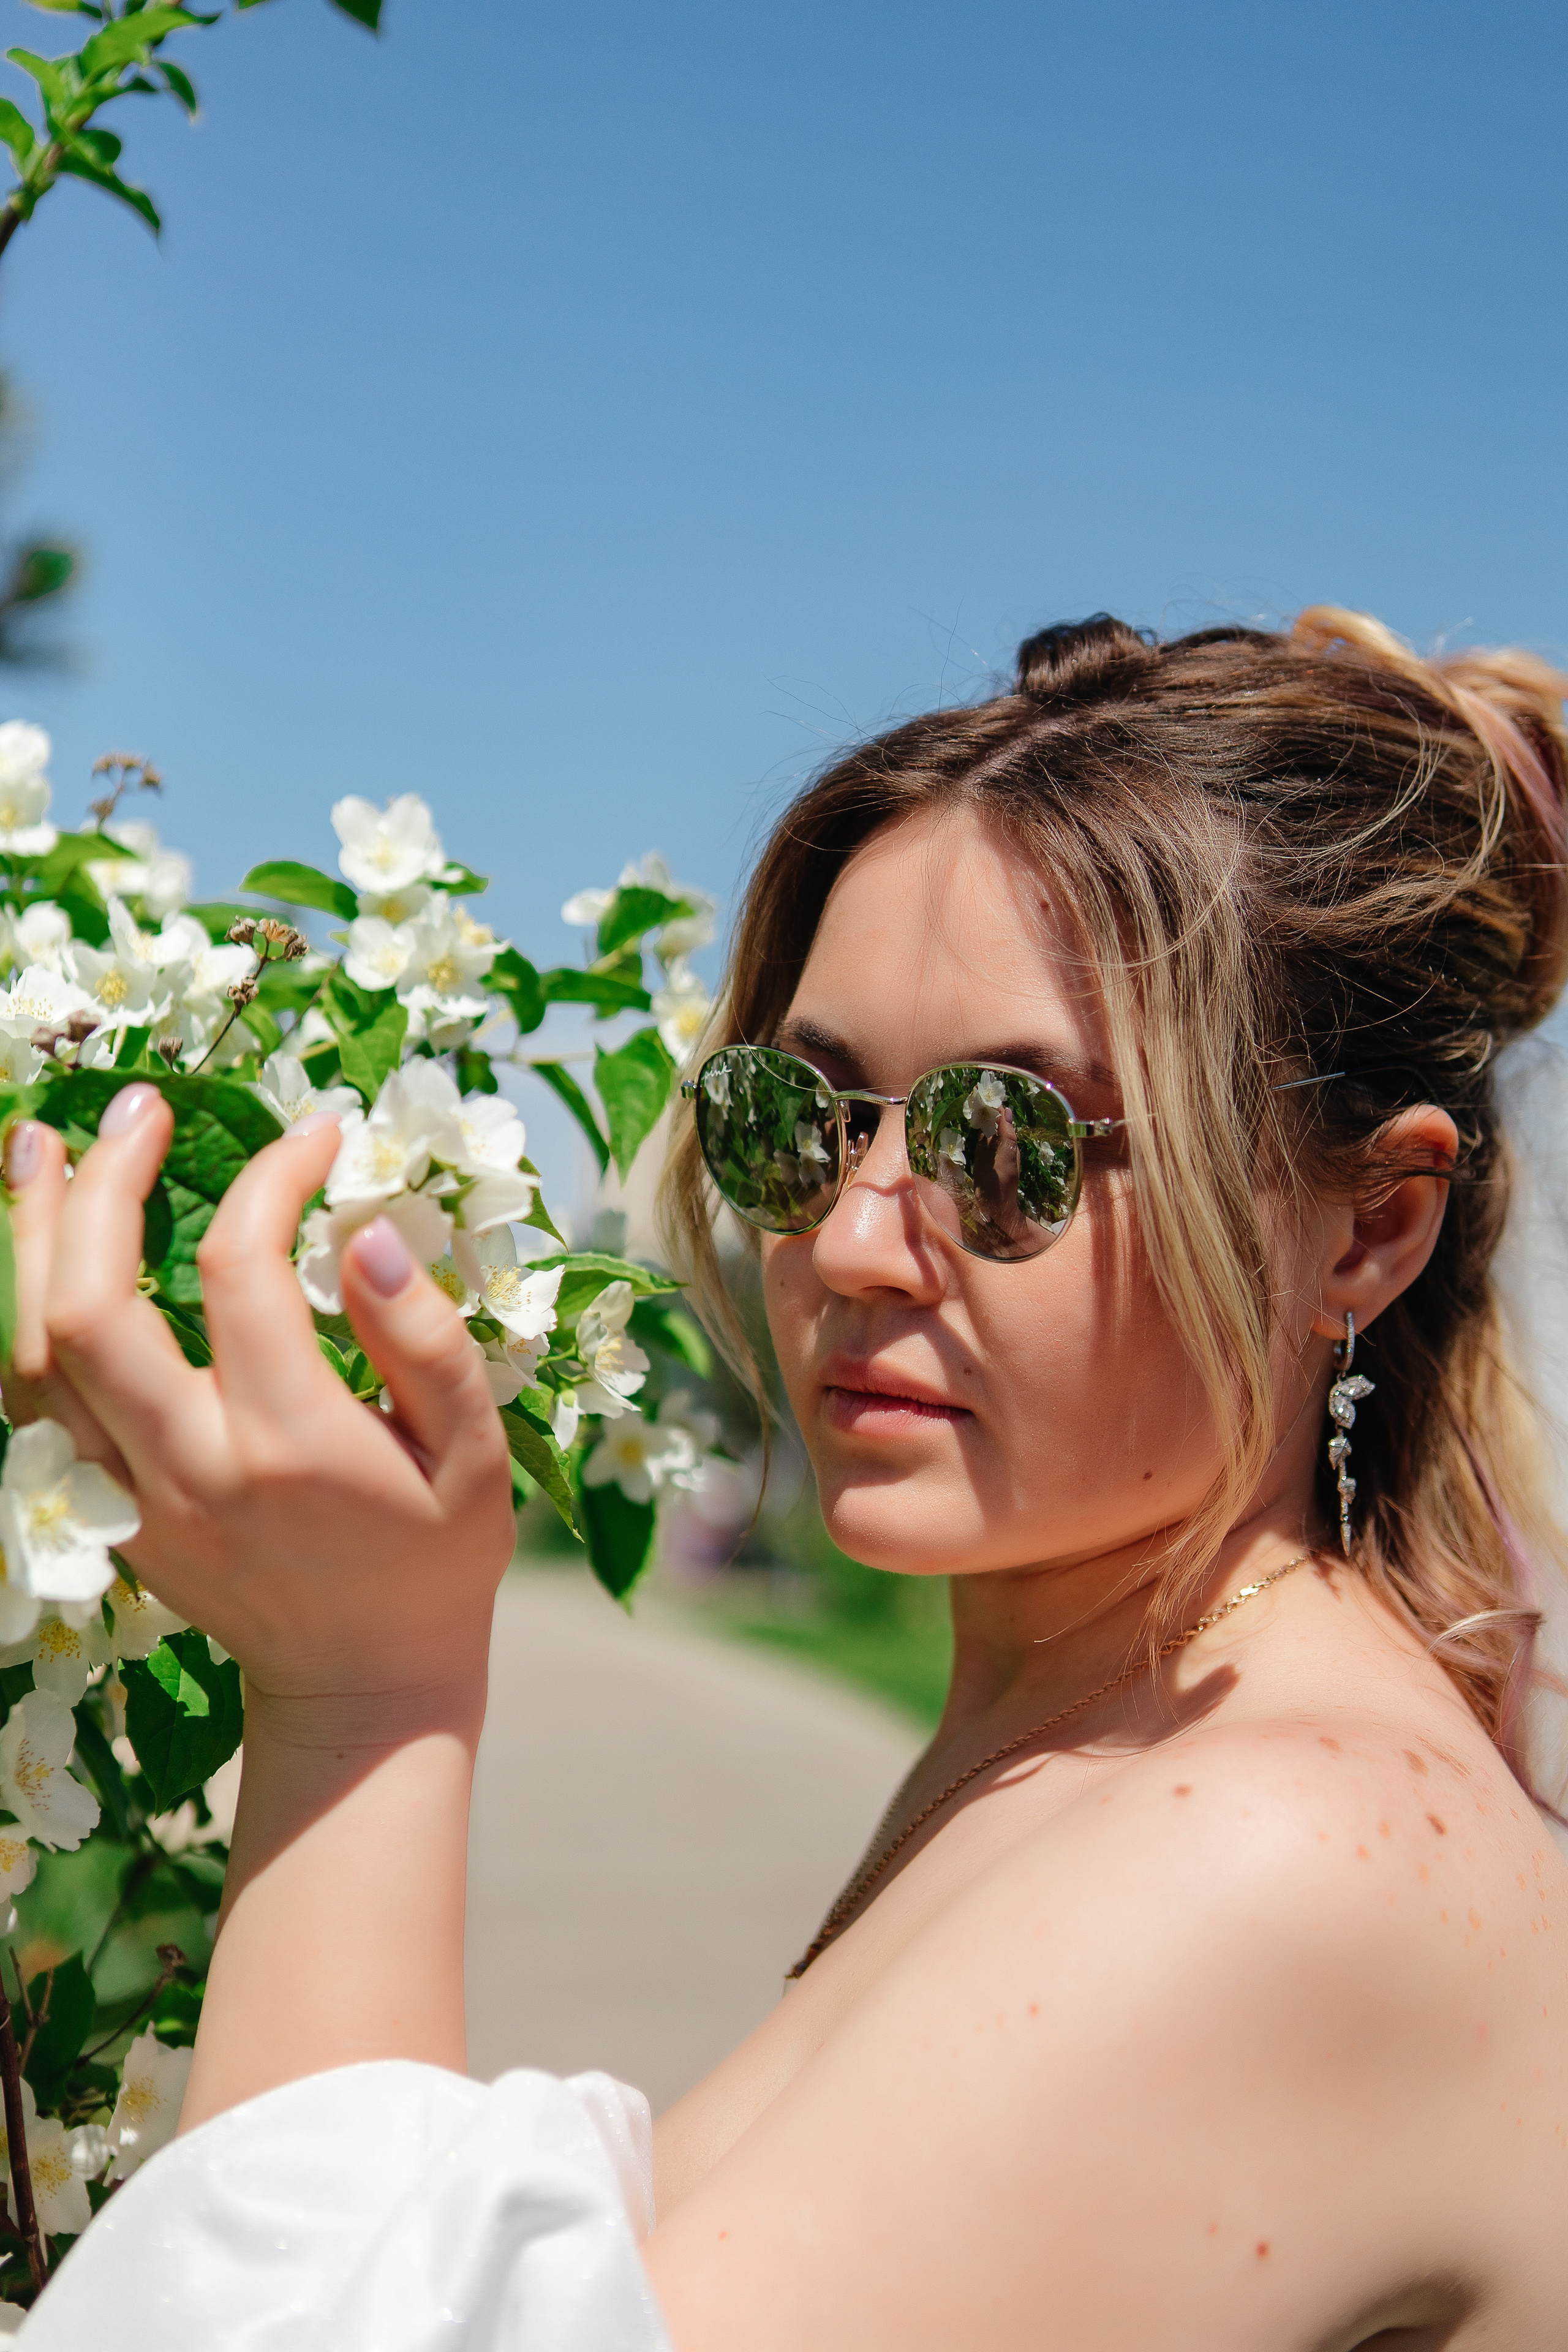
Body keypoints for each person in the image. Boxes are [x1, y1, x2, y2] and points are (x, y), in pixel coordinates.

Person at [12, 606, 1568, 2350]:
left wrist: (361, 1696)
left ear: (1367, 1226)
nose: (848, 1238)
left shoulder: (1289, 1854)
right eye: (800, 1117)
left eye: (1010, 1144)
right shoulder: (1118, 1735)